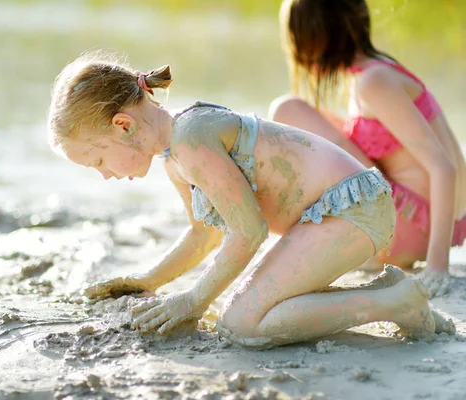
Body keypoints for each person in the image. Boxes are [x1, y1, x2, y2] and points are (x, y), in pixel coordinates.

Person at [46, 51, 448, 348]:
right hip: (329, 217)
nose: (104, 174)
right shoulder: (175, 157)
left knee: (241, 324)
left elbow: (249, 229)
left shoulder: (191, 138)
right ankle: (390, 292)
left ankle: (395, 303)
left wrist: (194, 299)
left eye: (97, 159)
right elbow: (203, 234)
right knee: (248, 315)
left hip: (350, 209)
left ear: (123, 125)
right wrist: (147, 281)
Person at [269, 0, 466, 297]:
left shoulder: (374, 83)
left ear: (318, 39)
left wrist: (438, 267)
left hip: (413, 222)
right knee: (293, 113)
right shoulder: (378, 73)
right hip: (420, 222)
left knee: (287, 110)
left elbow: (443, 167)